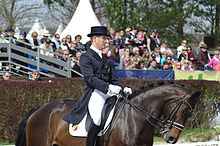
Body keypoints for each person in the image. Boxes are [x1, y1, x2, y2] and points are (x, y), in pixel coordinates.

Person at [63, 26, 132, 146]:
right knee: (97, 119)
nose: (106, 41)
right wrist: (107, 87)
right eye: (104, 38)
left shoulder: (107, 58)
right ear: (95, 38)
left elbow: (113, 79)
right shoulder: (86, 57)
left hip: (110, 92)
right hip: (95, 93)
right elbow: (89, 78)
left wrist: (123, 87)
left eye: (106, 38)